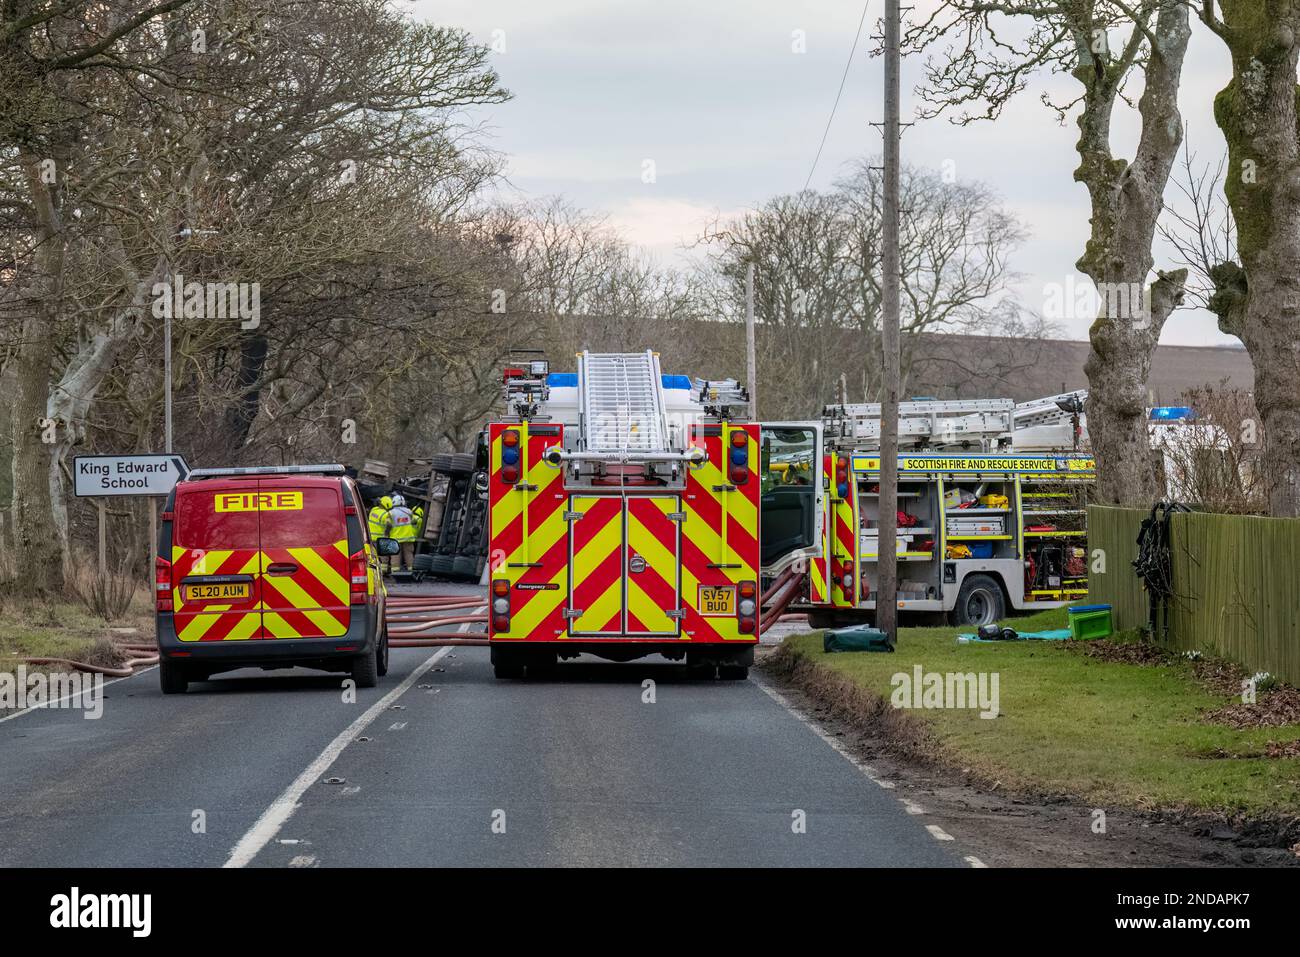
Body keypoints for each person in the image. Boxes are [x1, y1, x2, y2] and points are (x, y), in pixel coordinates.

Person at [387, 493, 417, 572]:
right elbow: (414, 521)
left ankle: (395, 570)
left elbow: (388, 524)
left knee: (395, 555)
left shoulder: (391, 513)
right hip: (408, 537)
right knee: (408, 554)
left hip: (395, 537)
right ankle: (411, 569)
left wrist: (386, 533)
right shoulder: (409, 511)